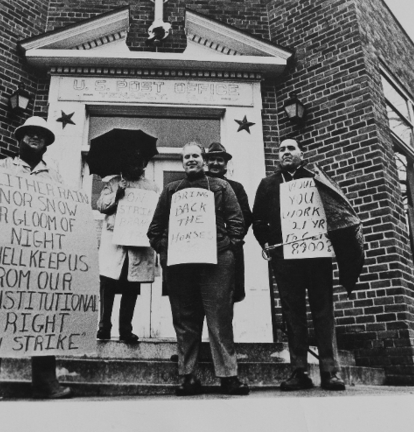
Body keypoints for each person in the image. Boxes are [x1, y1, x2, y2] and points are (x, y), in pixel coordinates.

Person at [252, 138, 364, 392]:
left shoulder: (317, 179)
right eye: (282, 149)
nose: (286, 152)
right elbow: (257, 220)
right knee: (293, 315)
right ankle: (298, 370)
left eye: (291, 148)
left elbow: (337, 211)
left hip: (317, 257)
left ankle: (329, 372)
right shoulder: (268, 184)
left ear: (302, 153)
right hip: (285, 259)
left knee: (324, 312)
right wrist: (268, 243)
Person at [0, 116, 71, 402]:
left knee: (43, 317)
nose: (35, 137)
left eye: (41, 134)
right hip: (4, 252)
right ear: (20, 138)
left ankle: (45, 383)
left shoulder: (53, 176)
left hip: (39, 256)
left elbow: (64, 215)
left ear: (46, 143)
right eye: (30, 133)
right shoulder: (1, 167)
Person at [147, 141, 250, 396]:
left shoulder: (220, 186)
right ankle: (187, 376)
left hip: (216, 262)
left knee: (220, 318)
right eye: (186, 157)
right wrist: (167, 249)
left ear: (203, 160)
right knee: (185, 320)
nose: (191, 159)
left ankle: (228, 376)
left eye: (195, 155)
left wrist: (226, 246)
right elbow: (154, 230)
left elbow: (237, 222)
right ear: (182, 162)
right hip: (181, 265)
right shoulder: (171, 190)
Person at [96, 148, 158, 343]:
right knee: (108, 285)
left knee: (132, 287)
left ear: (144, 165)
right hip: (115, 243)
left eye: (140, 163)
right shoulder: (114, 183)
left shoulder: (151, 187)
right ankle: (104, 327)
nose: (136, 166)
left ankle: (125, 329)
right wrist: (118, 194)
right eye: (132, 162)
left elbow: (157, 212)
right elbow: (101, 206)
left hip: (137, 244)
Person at [204, 142, 252, 303]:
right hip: (201, 248)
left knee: (227, 297)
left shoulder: (236, 188)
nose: (215, 163)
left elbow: (245, 217)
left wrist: (231, 241)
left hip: (228, 249)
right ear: (206, 162)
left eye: (220, 160)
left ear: (225, 164)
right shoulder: (196, 185)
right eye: (211, 159)